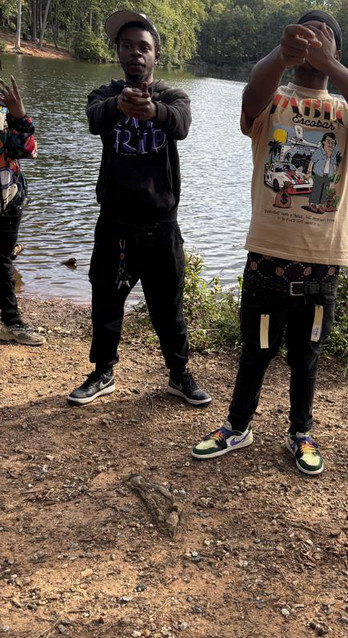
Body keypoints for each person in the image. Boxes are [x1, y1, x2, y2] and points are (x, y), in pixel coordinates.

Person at [191, 10, 348, 475]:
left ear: (336, 50)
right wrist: (281, 56)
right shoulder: (273, 101)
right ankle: (237, 426)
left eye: (323, 38)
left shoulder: (344, 114)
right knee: (256, 349)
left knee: (307, 354)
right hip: (268, 253)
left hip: (323, 260)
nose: (312, 42)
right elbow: (250, 96)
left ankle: (300, 432)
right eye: (304, 35)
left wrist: (331, 65)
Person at [67, 10, 210, 407]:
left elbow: (181, 124)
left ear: (155, 55)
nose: (135, 53)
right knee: (106, 302)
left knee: (169, 307)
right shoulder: (104, 95)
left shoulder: (173, 97)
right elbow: (94, 119)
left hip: (161, 227)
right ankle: (102, 372)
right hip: (115, 225)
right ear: (118, 53)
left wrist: (154, 112)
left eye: (143, 47)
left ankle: (179, 375)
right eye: (127, 46)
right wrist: (119, 105)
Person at [0, 75, 45, 346]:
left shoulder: (4, 115)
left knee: (2, 260)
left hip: (9, 201)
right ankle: (12, 323)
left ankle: (12, 323)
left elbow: (28, 150)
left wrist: (20, 116)